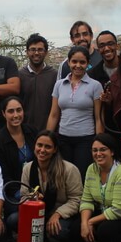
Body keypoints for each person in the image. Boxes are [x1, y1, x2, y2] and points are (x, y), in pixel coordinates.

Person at [10, 130, 83, 242]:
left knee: (61, 231)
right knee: (13, 220)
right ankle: (41, 240)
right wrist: (32, 199)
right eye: (39, 145)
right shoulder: (28, 168)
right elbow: (23, 196)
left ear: (55, 149)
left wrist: (58, 214)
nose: (42, 150)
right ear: (35, 146)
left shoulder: (69, 169)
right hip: (37, 212)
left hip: (62, 213)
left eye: (48, 147)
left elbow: (77, 199)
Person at [47, 46, 104, 178]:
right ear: (68, 62)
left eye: (82, 62)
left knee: (81, 175)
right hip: (63, 139)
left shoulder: (95, 86)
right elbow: (54, 115)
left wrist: (99, 142)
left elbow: (98, 118)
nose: (78, 65)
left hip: (85, 139)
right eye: (74, 61)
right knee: (64, 176)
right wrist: (48, 138)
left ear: (87, 63)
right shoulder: (59, 85)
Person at [0, 96, 38, 220]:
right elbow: (3, 176)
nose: (16, 115)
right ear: (3, 114)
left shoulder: (32, 132)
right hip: (12, 192)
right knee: (16, 218)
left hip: (36, 189)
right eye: (11, 111)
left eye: (19, 110)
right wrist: (22, 195)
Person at [18, 33, 57, 132]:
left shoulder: (54, 75)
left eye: (40, 49)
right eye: (32, 49)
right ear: (27, 52)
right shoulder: (19, 76)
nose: (36, 53)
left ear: (46, 52)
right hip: (25, 131)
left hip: (49, 131)